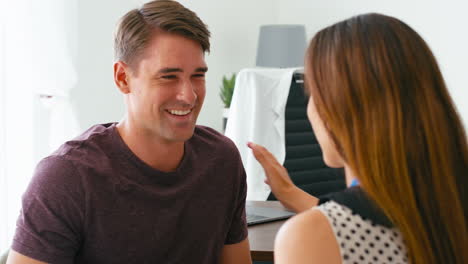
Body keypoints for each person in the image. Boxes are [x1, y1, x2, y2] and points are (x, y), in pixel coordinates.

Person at [7, 1, 252, 263]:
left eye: (197, 76)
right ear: (123, 78)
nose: (189, 95)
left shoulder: (221, 160)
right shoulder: (66, 178)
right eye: (168, 77)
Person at [248, 13, 467, 264]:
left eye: (312, 94)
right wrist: (291, 193)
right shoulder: (449, 208)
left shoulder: (311, 237)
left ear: (336, 110)